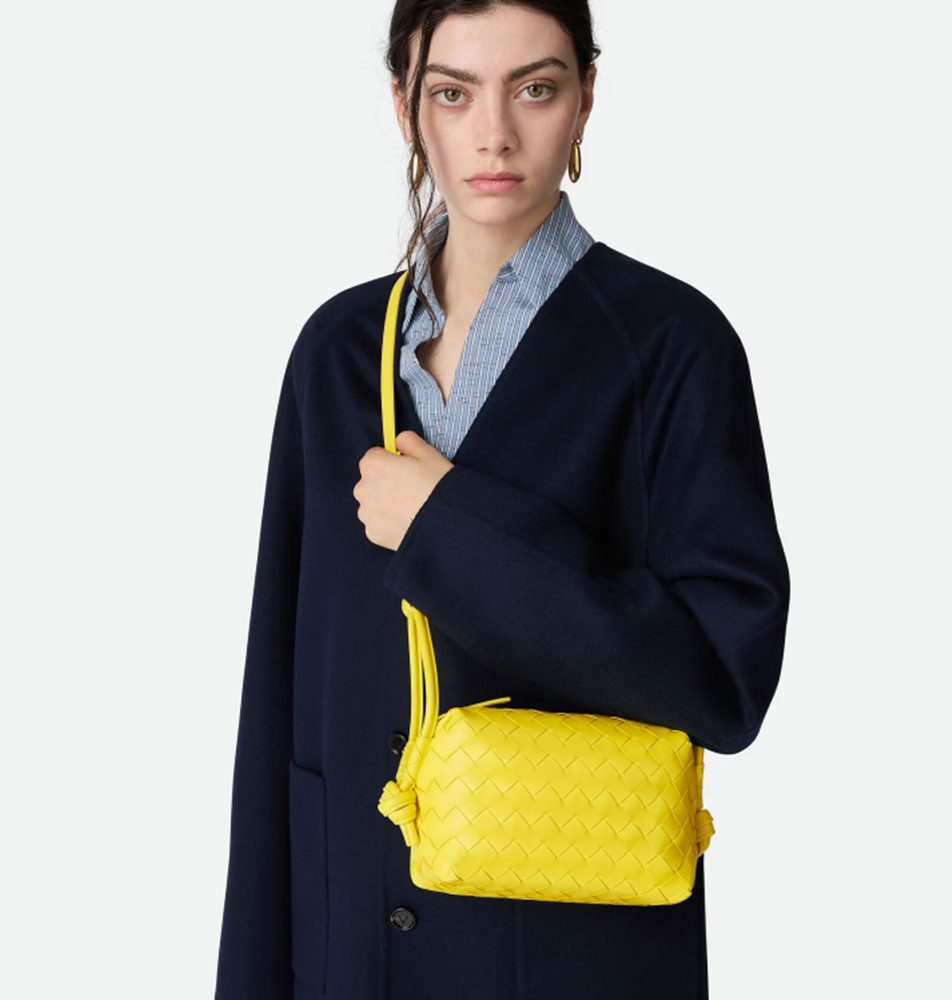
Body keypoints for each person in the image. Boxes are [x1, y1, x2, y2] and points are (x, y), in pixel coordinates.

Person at [214, 2, 791, 999]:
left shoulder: (673, 347)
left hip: (579, 960)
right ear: (405, 107)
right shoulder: (337, 351)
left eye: (535, 88)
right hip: (351, 954)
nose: (494, 134)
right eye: (453, 93)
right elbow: (277, 703)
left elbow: (721, 682)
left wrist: (446, 530)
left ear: (585, 100)